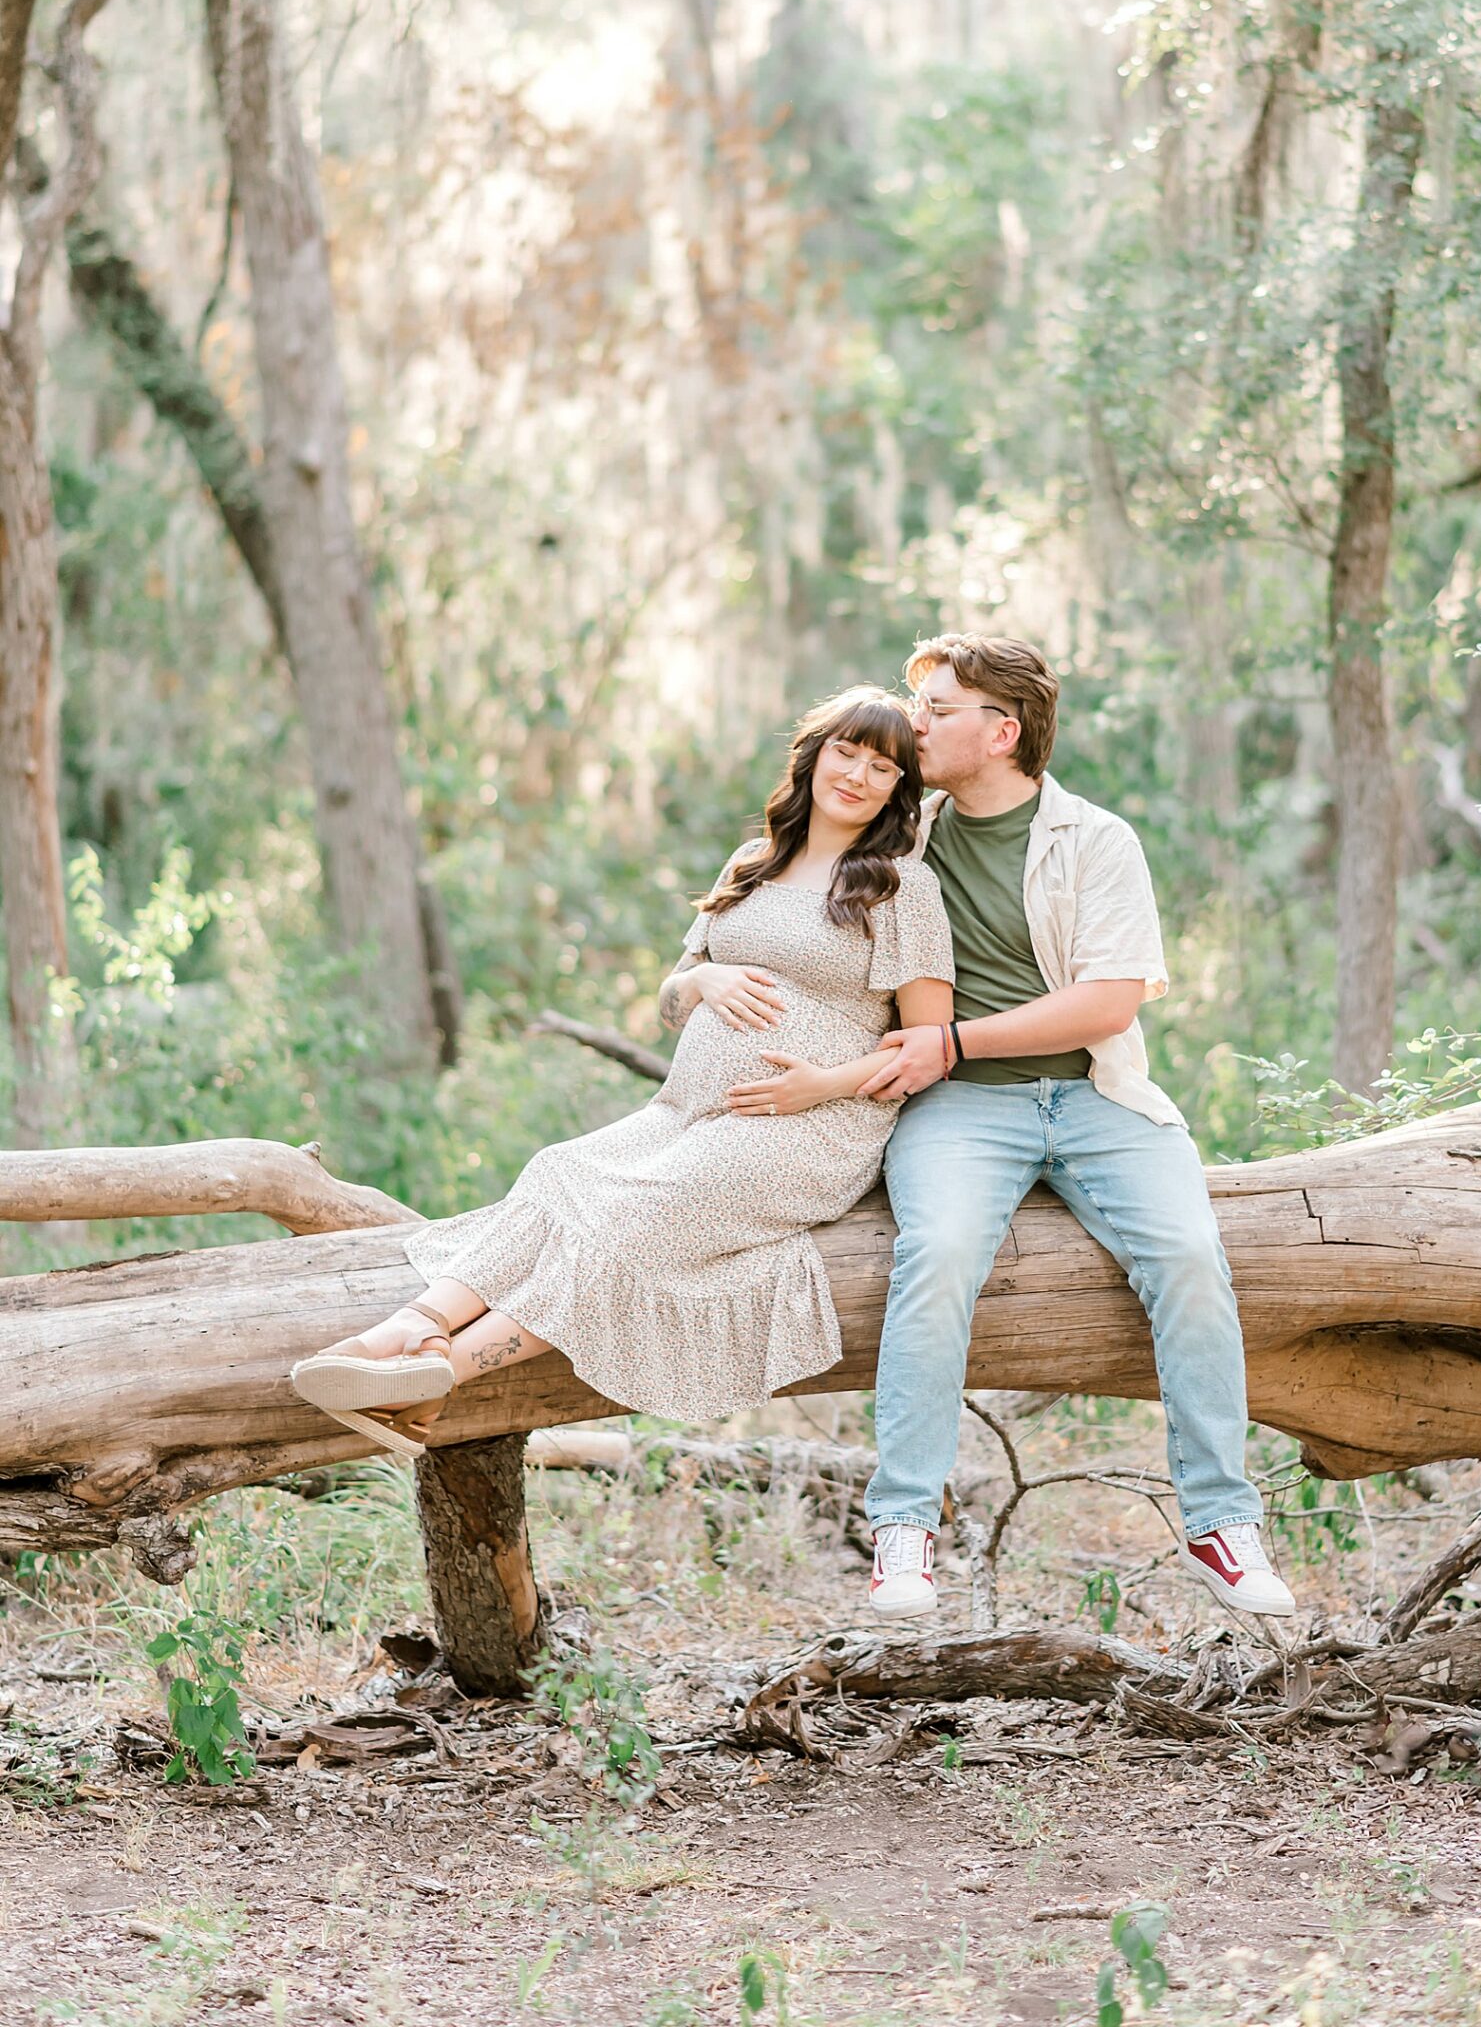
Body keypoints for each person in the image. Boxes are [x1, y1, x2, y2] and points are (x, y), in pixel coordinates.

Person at [289, 688, 953, 1451]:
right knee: (558, 1171)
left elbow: (929, 1043)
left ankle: (441, 1373)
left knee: (636, 1216)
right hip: (685, 1110)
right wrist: (700, 982)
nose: (858, 776)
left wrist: (818, 1085)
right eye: (846, 751)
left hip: (810, 1125)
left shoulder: (902, 888)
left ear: (899, 791)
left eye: (883, 767)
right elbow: (670, 1000)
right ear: (813, 755)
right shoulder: (753, 863)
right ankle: (403, 1335)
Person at [857, 634, 1295, 1622]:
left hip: (1097, 1098)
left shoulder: (1095, 840)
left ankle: (1220, 1526)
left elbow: (1106, 1004)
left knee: (1187, 1252)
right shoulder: (899, 838)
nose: (912, 721)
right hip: (960, 1111)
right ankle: (902, 1531)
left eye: (937, 706)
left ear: (1000, 730)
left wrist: (953, 1041)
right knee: (936, 1253)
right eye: (912, 702)